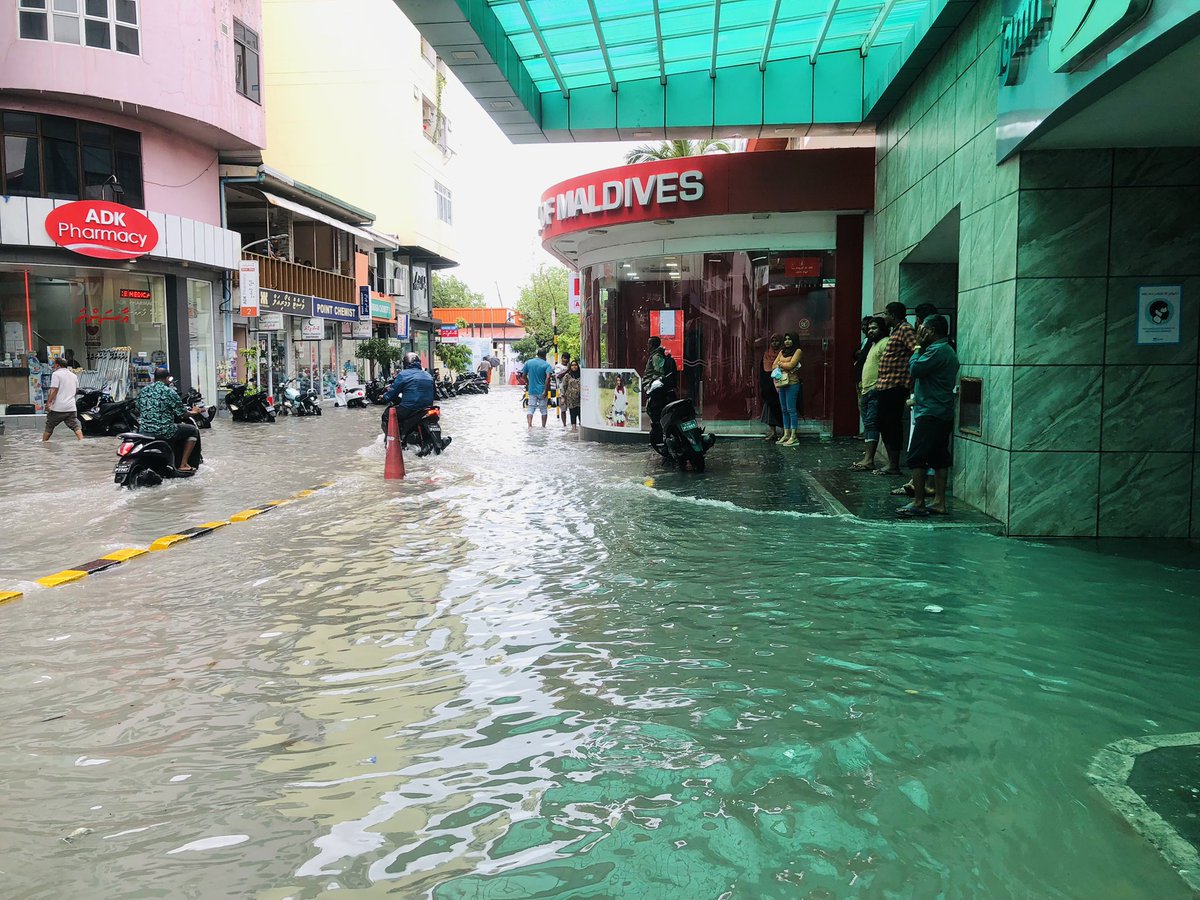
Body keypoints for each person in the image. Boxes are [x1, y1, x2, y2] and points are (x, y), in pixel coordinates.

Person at [898, 315, 960, 517]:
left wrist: (917, 347)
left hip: (930, 412)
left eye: (922, 328)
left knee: (916, 456)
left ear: (931, 331)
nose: (919, 331)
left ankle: (918, 502)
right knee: (939, 457)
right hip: (942, 410)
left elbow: (915, 369)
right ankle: (939, 502)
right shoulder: (948, 349)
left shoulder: (936, 351)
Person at [873, 301, 917, 475]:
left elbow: (917, 349)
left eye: (886, 314)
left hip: (896, 386)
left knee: (892, 424)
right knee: (883, 423)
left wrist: (909, 375)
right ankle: (892, 463)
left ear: (892, 315)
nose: (884, 317)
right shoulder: (896, 331)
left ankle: (894, 465)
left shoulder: (905, 329)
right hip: (886, 385)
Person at [137, 367, 201, 471]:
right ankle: (183, 464)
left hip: (144, 431)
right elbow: (183, 414)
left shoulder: (143, 391)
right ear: (167, 379)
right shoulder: (169, 392)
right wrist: (195, 411)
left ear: (154, 378)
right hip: (164, 431)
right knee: (192, 431)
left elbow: (138, 408)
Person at [852, 317, 890, 471]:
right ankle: (867, 458)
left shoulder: (885, 342)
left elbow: (886, 367)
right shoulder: (872, 344)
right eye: (869, 328)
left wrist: (878, 385)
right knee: (868, 423)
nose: (870, 331)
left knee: (872, 423)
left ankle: (869, 459)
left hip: (876, 389)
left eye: (874, 328)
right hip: (866, 389)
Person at [383, 352, 436, 437]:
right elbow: (435, 394)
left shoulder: (403, 375)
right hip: (427, 408)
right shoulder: (428, 375)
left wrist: (384, 397)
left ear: (405, 363)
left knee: (387, 414)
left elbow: (392, 393)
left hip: (409, 408)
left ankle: (393, 440)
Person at [643, 336, 678, 446]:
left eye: (649, 344)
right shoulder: (655, 355)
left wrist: (651, 383)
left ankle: (659, 439)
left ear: (652, 345)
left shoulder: (656, 356)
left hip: (656, 390)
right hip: (655, 389)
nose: (647, 346)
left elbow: (659, 372)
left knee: (655, 414)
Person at [42, 357, 84, 442]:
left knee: (49, 425)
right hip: (71, 407)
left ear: (57, 365)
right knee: (75, 426)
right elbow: (76, 390)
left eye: (54, 364)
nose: (53, 366)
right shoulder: (73, 375)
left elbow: (53, 390)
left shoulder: (56, 374)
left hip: (58, 407)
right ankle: (82, 441)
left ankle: (44, 443)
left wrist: (48, 403)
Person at [773, 332, 803, 446]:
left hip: (792, 383)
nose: (787, 341)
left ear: (794, 340)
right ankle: (786, 434)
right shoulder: (782, 351)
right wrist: (784, 364)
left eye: (790, 339)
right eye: (785, 339)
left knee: (791, 410)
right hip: (781, 383)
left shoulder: (798, 351)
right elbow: (773, 365)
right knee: (784, 410)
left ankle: (794, 436)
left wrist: (780, 364)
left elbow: (792, 365)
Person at [759, 333, 783, 442]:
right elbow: (762, 372)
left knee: (782, 409)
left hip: (780, 386)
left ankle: (784, 432)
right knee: (770, 410)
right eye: (772, 341)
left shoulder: (783, 355)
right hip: (769, 388)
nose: (774, 343)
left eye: (777, 341)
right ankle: (773, 432)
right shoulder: (766, 355)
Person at [522, 348, 554, 428]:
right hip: (543, 390)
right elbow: (548, 378)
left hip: (532, 390)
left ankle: (529, 425)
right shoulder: (546, 365)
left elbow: (523, 375)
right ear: (545, 355)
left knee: (530, 408)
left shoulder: (528, 362)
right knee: (543, 409)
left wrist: (528, 383)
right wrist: (545, 390)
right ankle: (543, 426)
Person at [560, 360, 581, 431]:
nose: (574, 366)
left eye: (575, 365)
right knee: (573, 413)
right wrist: (562, 397)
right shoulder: (567, 376)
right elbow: (563, 386)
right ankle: (574, 429)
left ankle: (581, 429)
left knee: (580, 413)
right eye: (572, 365)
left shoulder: (582, 375)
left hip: (581, 399)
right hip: (571, 399)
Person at [555, 352, 572, 426]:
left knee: (572, 409)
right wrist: (567, 370)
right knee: (563, 410)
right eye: (564, 358)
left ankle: (573, 424)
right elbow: (558, 376)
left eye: (567, 359)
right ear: (561, 358)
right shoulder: (558, 366)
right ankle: (564, 425)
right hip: (561, 391)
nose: (565, 360)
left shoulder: (571, 367)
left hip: (571, 391)